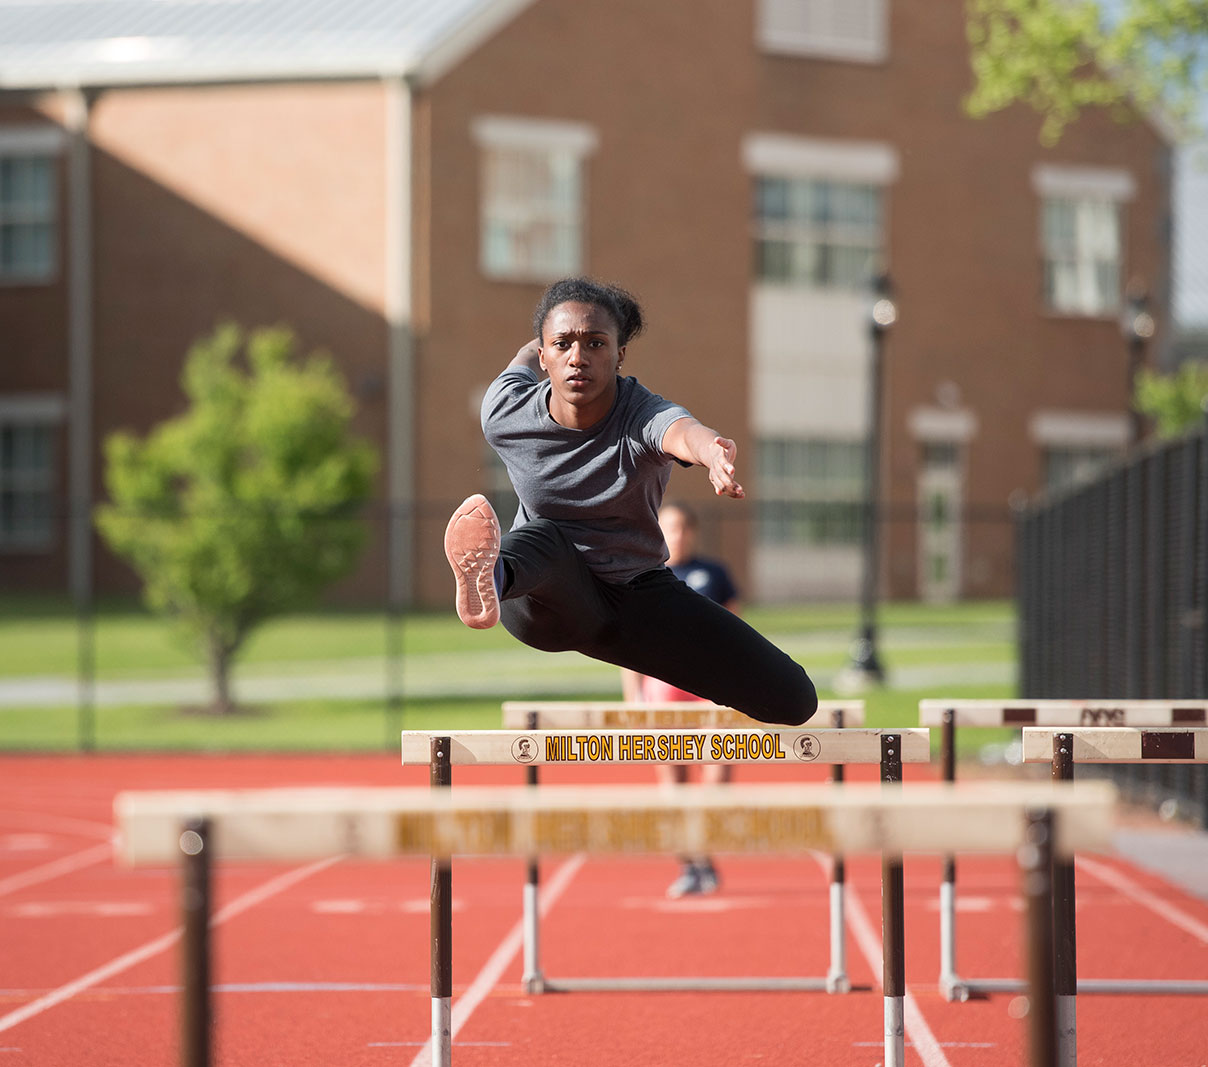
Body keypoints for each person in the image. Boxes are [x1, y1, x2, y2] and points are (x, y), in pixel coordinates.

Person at [443, 276, 817, 731]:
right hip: (542, 601)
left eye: (596, 343)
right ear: (543, 357)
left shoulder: (641, 413)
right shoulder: (507, 411)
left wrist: (711, 450)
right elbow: (521, 361)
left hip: (636, 599)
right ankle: (490, 576)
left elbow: (679, 431)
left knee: (795, 699)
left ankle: (501, 571)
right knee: (543, 535)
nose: (578, 358)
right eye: (562, 345)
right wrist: (548, 335)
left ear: (620, 355)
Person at [621, 501, 738, 898]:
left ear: (694, 532)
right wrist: (632, 698)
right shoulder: (643, 574)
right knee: (673, 785)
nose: (678, 535)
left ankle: (703, 854)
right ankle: (692, 864)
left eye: (684, 527)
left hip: (710, 694)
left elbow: (738, 636)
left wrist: (740, 691)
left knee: (718, 780)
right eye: (670, 527)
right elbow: (628, 645)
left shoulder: (716, 574)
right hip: (664, 693)